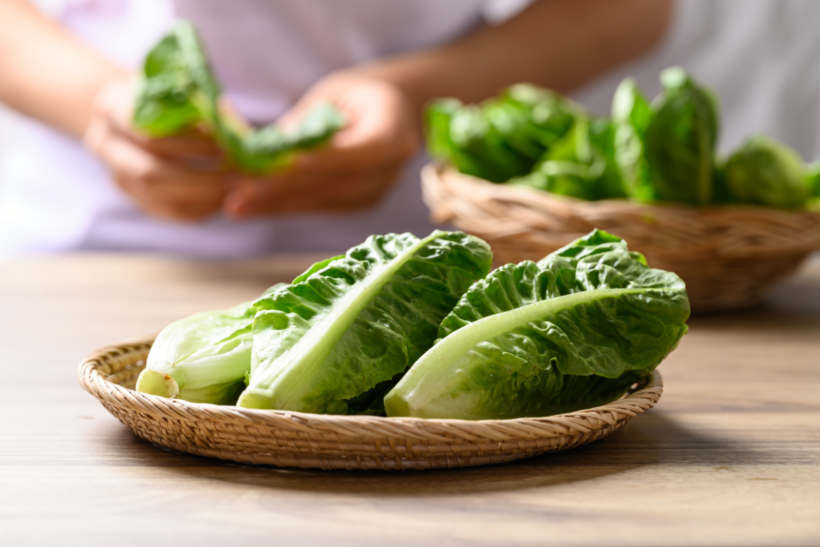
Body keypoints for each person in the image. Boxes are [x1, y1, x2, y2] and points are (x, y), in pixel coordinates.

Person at [5, 1, 818, 257]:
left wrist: (407, 93)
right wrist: (100, 107)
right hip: (66, 248)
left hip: (404, 254)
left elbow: (627, 8)